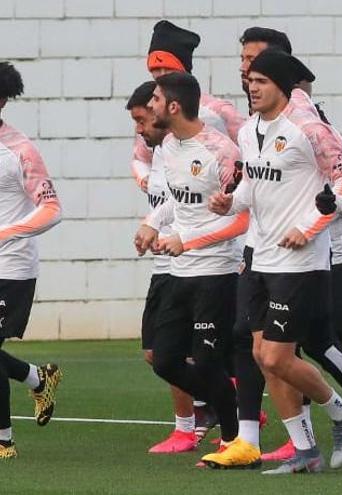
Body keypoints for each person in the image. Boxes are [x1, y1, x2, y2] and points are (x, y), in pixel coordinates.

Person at [206, 50, 342, 473]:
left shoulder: (310, 129)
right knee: (262, 356)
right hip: (259, 258)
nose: (252, 86)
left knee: (278, 357)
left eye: (261, 80)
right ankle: (306, 452)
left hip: (301, 263)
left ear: (283, 85)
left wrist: (313, 223)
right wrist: (229, 202)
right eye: (249, 79)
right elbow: (251, 189)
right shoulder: (250, 129)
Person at [131, 19, 247, 446]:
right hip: (176, 267)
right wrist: (151, 224)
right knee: (163, 359)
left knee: (209, 360)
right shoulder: (169, 146)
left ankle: (234, 441)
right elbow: (170, 199)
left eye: (158, 94)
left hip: (214, 271)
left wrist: (190, 238)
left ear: (174, 106)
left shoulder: (220, 148)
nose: (152, 96)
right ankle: (229, 404)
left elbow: (240, 215)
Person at [127, 81, 202, 453]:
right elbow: (164, 200)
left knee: (173, 353)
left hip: (189, 264)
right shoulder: (159, 153)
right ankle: (217, 400)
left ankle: (188, 428)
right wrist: (149, 226)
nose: (140, 129)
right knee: (155, 353)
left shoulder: (190, 152)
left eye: (143, 118)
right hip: (163, 266)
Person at [0, 62, 64, 459]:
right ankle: (37, 378)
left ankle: (3, 441)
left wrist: (6, 234)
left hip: (11, 268)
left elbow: (52, 207)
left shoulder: (19, 150)